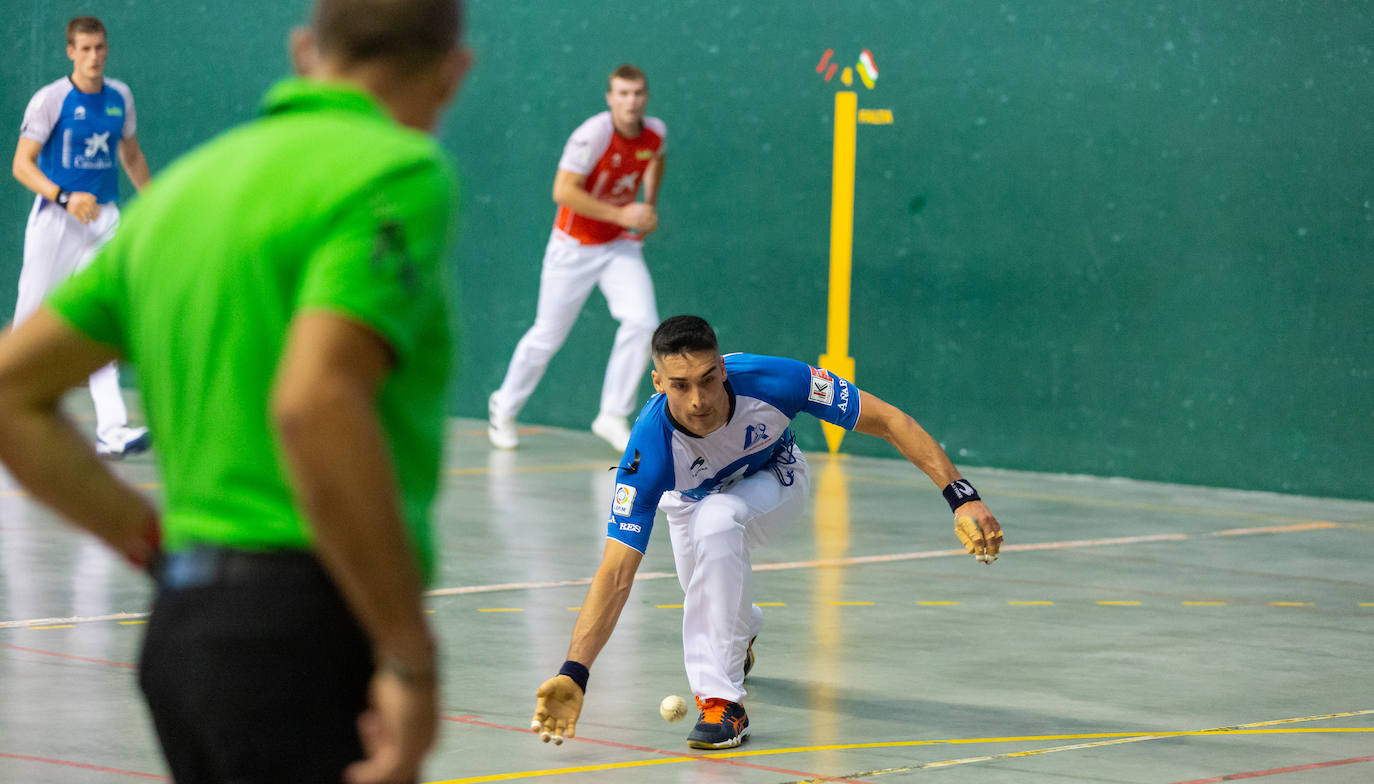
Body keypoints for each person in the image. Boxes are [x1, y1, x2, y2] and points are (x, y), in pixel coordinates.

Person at [0, 1, 471, 781]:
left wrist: (151, 543)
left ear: (302, 51)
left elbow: (11, 392)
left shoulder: (183, 193)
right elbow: (316, 400)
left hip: (183, 634)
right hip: (308, 634)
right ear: (453, 73)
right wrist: (408, 657)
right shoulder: (396, 171)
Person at [530, 315, 1004, 750]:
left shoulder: (777, 380)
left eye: (707, 380)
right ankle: (745, 629)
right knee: (708, 588)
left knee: (718, 523)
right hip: (687, 501)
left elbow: (891, 421)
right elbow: (615, 574)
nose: (697, 400)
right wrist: (575, 672)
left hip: (777, 478)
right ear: (658, 383)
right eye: (679, 386)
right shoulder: (646, 454)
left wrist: (961, 496)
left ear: (722, 369)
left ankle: (722, 704)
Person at [488, 64, 666, 453]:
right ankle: (504, 405)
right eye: (622, 93)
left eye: (637, 93)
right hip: (574, 246)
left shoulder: (655, 133)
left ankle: (612, 415)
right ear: (610, 97)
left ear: (645, 97)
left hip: (619, 246)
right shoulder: (593, 135)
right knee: (547, 336)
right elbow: (563, 191)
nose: (630, 101)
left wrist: (648, 206)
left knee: (643, 323)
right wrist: (624, 214)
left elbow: (655, 158)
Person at [11, 16, 153, 457]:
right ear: (71, 52)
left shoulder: (119, 98)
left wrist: (153, 202)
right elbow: (22, 165)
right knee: (31, 319)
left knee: (103, 316)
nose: (94, 57)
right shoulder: (50, 100)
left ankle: (112, 431)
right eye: (85, 49)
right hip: (57, 219)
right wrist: (64, 196)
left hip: (104, 217)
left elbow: (129, 153)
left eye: (100, 48)